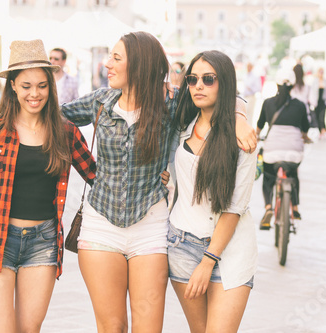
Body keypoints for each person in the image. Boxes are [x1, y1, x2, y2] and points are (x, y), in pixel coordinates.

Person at [60, 31, 256, 332]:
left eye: (116, 57)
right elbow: (56, 118)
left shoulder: (171, 103)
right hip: (101, 222)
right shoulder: (101, 101)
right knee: (111, 326)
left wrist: (239, 117)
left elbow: (223, 95)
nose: (107, 64)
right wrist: (90, 169)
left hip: (150, 225)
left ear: (138, 65)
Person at [0, 39, 96, 332]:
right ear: (13, 85)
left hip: (43, 244)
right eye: (26, 86)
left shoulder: (64, 131)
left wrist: (155, 174)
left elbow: (97, 175)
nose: (35, 93)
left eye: (42, 85)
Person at [167, 50, 257, 333]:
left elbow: (235, 207)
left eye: (208, 79)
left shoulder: (241, 137)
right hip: (181, 244)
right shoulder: (181, 126)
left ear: (225, 83)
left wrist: (209, 260)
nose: (198, 86)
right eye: (192, 79)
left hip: (231, 250)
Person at [257, 68, 310, 230]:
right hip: (294, 152)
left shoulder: (267, 103)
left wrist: (257, 137)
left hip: (272, 151)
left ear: (277, 84)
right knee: (293, 174)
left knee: (268, 177)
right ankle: (294, 207)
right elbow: (305, 129)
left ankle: (268, 207)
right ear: (292, 85)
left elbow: (258, 127)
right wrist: (306, 138)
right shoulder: (300, 105)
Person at [308, 67, 326, 140]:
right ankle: (321, 130)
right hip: (316, 102)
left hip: (323, 101)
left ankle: (323, 131)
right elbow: (312, 92)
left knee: (322, 116)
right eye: (320, 72)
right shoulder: (315, 81)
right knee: (317, 116)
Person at [242, 62, 262, 126]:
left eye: (250, 67)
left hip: (251, 96)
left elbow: (259, 88)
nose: (248, 68)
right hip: (245, 96)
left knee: (249, 114)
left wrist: (250, 88)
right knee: (244, 114)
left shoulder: (255, 76)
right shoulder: (245, 75)